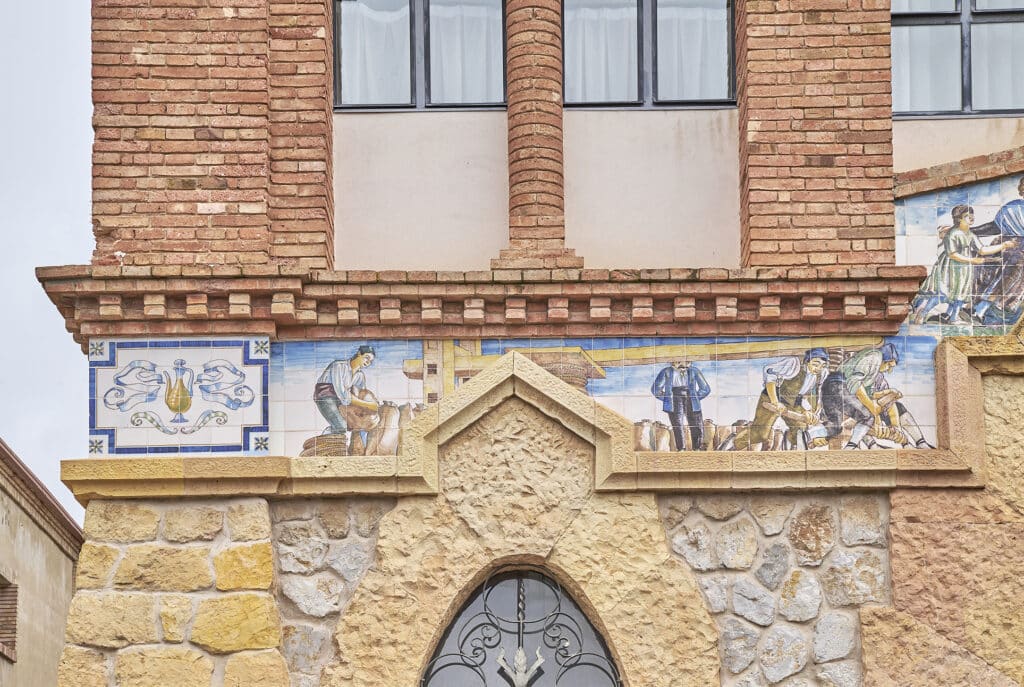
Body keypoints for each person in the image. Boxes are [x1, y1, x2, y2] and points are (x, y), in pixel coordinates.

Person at [911, 204, 1017, 324]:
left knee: (961, 294)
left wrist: (1003, 245)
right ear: (959, 219)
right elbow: (952, 254)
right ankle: (923, 313)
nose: (971, 218)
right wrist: (972, 260)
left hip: (964, 269)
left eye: (972, 215)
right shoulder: (953, 234)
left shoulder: (970, 234)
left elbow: (982, 250)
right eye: (967, 216)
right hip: (950, 268)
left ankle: (953, 318)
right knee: (943, 294)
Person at [822, 342, 932, 449]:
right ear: (886, 359)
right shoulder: (875, 357)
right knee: (866, 414)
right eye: (889, 365)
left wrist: (888, 395)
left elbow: (878, 400)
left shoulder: (877, 376)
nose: (889, 370)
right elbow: (856, 384)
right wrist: (874, 411)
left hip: (845, 393)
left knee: (889, 409)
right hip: (837, 387)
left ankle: (919, 442)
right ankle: (858, 446)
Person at [722, 348, 830, 451]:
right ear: (807, 361)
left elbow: (814, 395)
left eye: (822, 365)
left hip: (793, 402)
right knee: (760, 434)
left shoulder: (822, 374)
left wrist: (810, 412)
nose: (819, 368)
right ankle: (733, 445)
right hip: (772, 397)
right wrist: (775, 402)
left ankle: (795, 452)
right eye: (815, 364)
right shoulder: (794, 364)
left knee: (800, 430)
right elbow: (770, 376)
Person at [970, 177, 1024, 324]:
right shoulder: (1012, 207)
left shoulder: (1011, 207)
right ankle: (977, 310)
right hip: (1009, 248)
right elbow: (995, 227)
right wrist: (968, 231)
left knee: (1006, 280)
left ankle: (980, 311)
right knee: (997, 278)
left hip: (1012, 250)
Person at [314, 345, 379, 437]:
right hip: (325, 396)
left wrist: (374, 404)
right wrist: (368, 405)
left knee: (356, 424)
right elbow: (342, 394)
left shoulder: (360, 375)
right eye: (367, 358)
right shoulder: (338, 366)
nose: (368, 362)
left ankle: (332, 434)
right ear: (359, 354)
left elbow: (362, 394)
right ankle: (326, 438)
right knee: (341, 427)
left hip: (343, 399)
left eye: (370, 361)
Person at [651, 360, 711, 451]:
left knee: (696, 423)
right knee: (677, 425)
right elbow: (656, 389)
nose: (683, 365)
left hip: (691, 397)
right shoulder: (666, 371)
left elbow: (705, 389)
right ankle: (681, 449)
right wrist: (668, 399)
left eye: (687, 362)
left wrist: (695, 397)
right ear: (672, 362)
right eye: (679, 362)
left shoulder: (694, 371)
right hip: (674, 398)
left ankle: (697, 448)